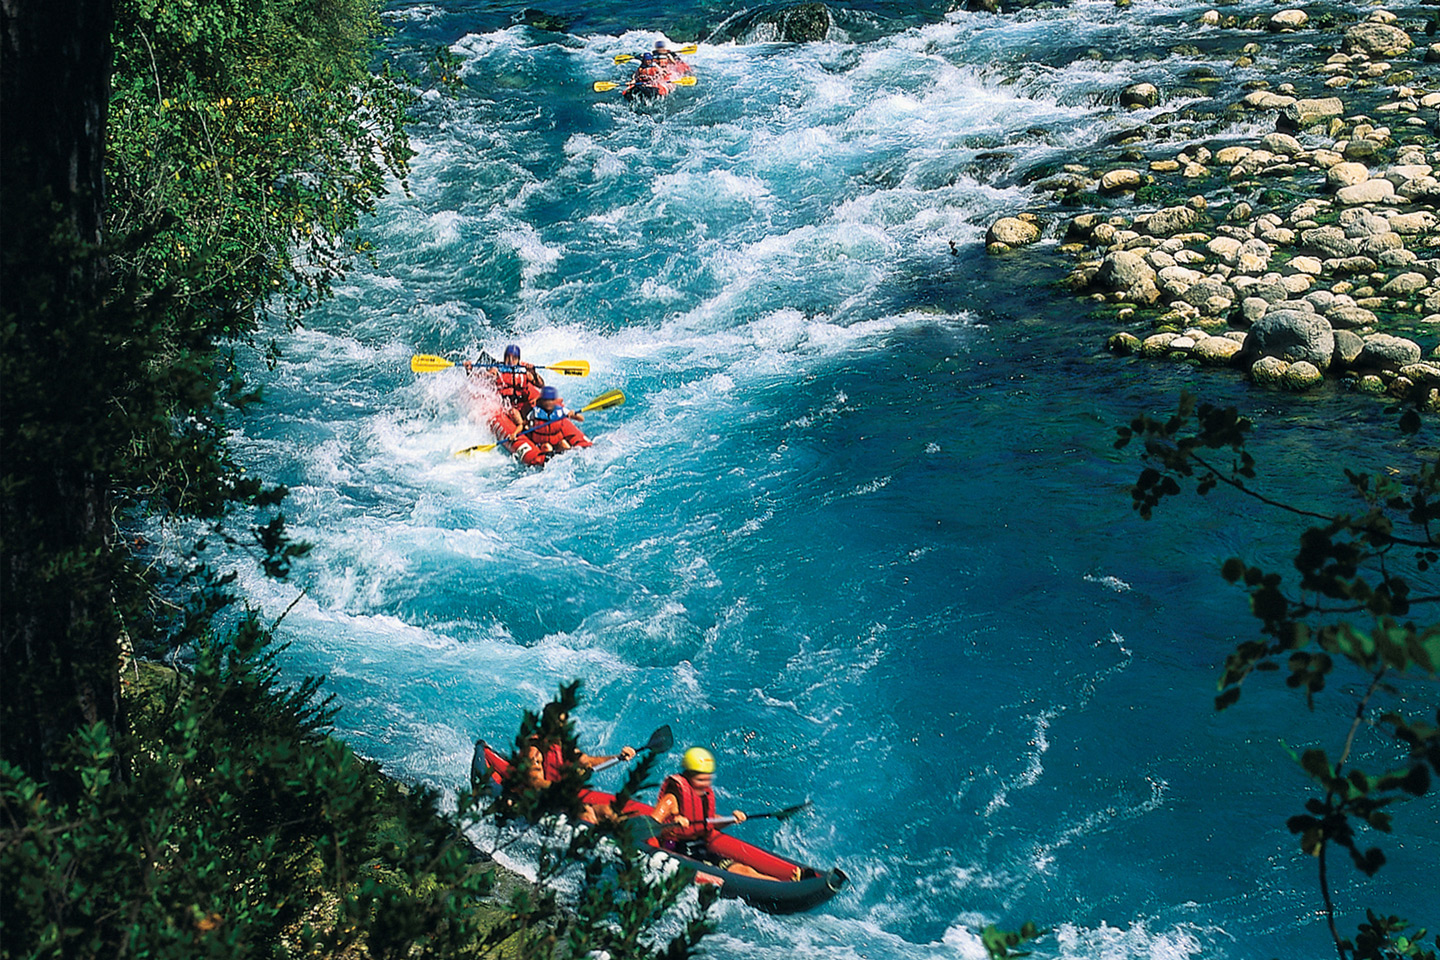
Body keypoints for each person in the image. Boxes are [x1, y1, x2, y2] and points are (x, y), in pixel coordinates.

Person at [650, 747, 768, 879]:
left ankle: (790, 883)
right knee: (738, 874)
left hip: (700, 850)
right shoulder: (671, 800)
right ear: (687, 776)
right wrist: (673, 824)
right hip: (676, 851)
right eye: (700, 780)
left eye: (708, 780)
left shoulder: (702, 795)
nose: (705, 785)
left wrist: (731, 819)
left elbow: (709, 822)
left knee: (744, 869)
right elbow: (650, 826)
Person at [522, 703, 636, 824]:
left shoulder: (563, 744)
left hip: (563, 798)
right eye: (558, 723)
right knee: (587, 814)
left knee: (608, 812)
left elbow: (589, 762)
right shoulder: (535, 749)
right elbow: (535, 782)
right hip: (543, 800)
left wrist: (619, 757)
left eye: (564, 723)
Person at [467, 344, 542, 432]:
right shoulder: (496, 370)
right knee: (515, 413)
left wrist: (535, 373)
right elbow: (477, 380)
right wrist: (469, 370)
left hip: (522, 404)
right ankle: (522, 427)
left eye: (514, 358)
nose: (510, 361)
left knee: (540, 402)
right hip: (506, 406)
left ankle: (531, 427)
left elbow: (541, 385)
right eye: (508, 357)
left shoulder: (525, 372)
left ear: (518, 359)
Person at [526, 385, 590, 455]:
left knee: (564, 444)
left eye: (551, 400)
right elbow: (525, 423)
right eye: (546, 400)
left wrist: (573, 414)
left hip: (556, 441)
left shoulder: (560, 411)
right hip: (542, 443)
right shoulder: (536, 412)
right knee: (548, 447)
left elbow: (581, 419)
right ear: (542, 401)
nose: (549, 403)